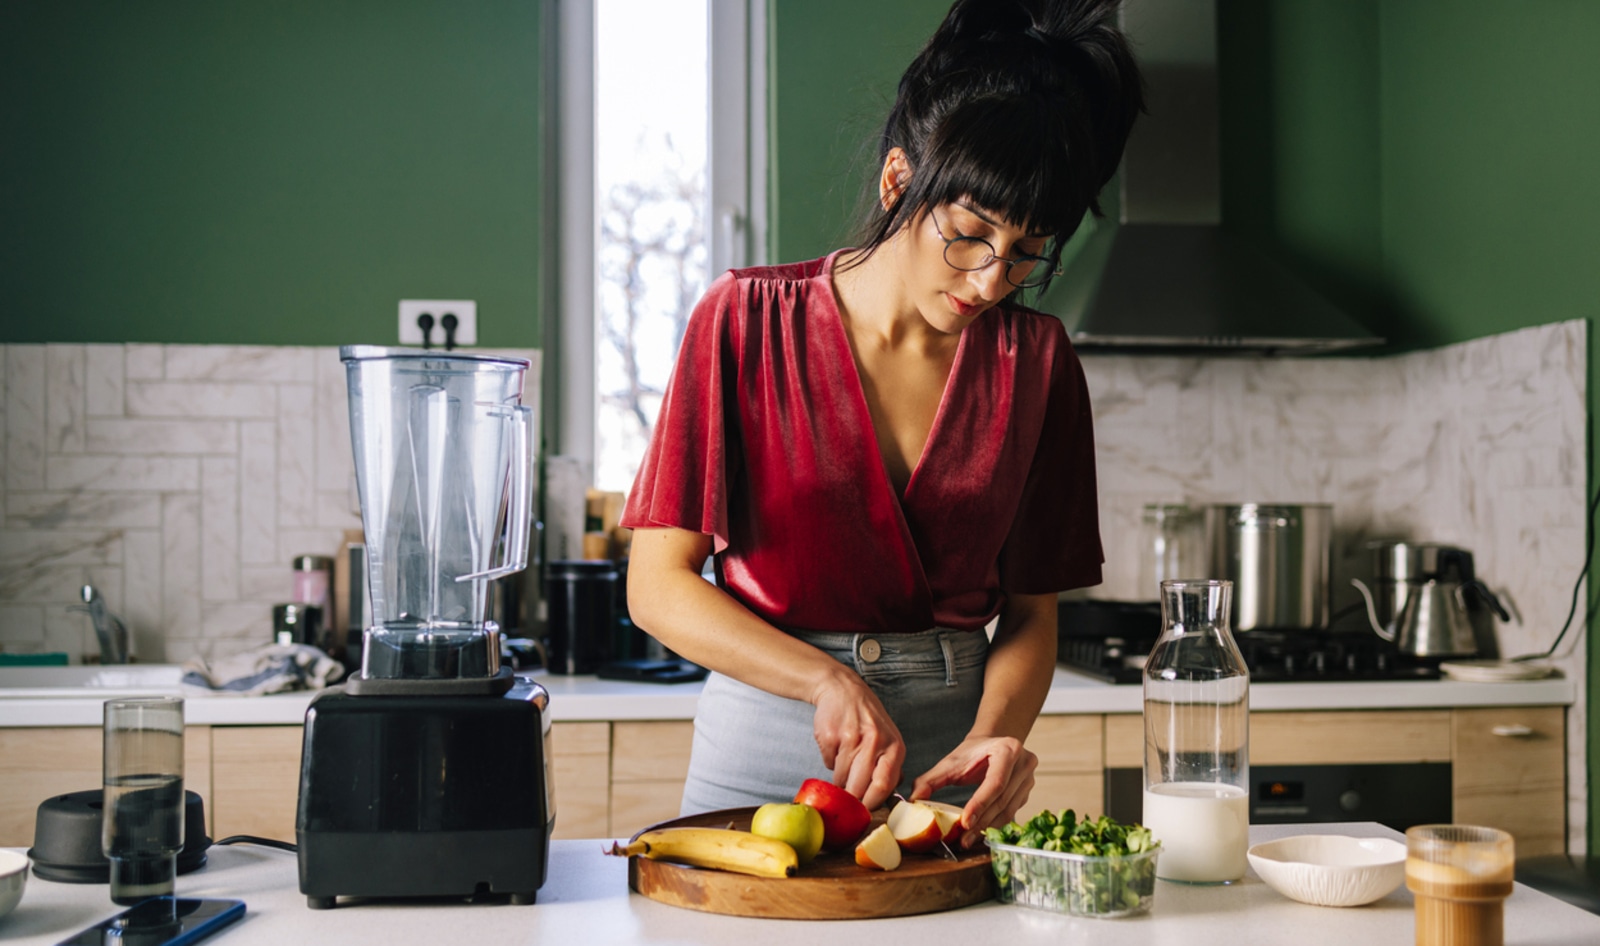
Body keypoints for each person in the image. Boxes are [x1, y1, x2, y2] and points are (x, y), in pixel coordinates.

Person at [620, 0, 1144, 847]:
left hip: (949, 768)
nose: (988, 282)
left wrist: (996, 735)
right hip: (760, 752)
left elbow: (1033, 616)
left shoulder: (1039, 363)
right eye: (968, 236)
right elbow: (657, 587)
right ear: (899, 182)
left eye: (1025, 253)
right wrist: (824, 679)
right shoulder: (744, 321)